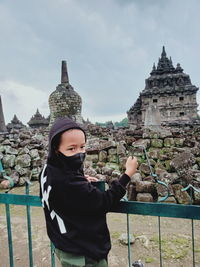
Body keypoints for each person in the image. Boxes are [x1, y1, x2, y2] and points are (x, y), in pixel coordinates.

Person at [39, 117, 138, 267]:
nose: (79, 153)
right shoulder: (69, 183)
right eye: (71, 148)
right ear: (55, 149)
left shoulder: (48, 170)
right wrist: (127, 174)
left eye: (82, 147)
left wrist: (79, 178)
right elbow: (105, 202)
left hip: (64, 243)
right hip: (83, 253)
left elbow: (63, 186)